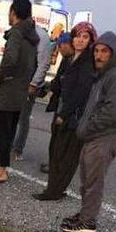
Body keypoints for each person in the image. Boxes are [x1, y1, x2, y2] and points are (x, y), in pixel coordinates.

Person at [61, 32, 116, 232]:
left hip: (104, 138)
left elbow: (113, 113)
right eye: (97, 51)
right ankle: (84, 214)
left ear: (113, 53)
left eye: (104, 52)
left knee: (93, 182)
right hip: (93, 137)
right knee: (87, 179)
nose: (99, 56)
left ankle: (88, 222)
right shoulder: (103, 75)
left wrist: (87, 128)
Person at [33, 23, 97, 200]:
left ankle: (54, 191)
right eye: (77, 36)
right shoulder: (70, 58)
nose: (79, 40)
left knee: (66, 155)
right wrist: (46, 89)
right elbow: (60, 83)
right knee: (55, 150)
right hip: (62, 111)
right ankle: (54, 188)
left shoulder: (87, 63)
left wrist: (64, 114)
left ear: (91, 40)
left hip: (75, 116)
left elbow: (81, 93)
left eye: (85, 37)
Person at [0, 0, 39, 184]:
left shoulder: (16, 34)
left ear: (13, 12)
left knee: (1, 130)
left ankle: (0, 170)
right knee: (10, 129)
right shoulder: (33, 36)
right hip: (21, 89)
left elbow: (10, 59)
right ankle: (3, 167)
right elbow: (33, 63)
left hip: (8, 89)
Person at [11, 23, 53, 159]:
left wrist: (34, 84)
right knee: (12, 116)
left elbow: (43, 63)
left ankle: (17, 149)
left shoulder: (41, 36)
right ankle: (9, 146)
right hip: (17, 81)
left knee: (23, 118)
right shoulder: (21, 32)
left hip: (29, 83)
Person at [39, 32, 74, 173]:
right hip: (60, 102)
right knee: (56, 135)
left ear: (67, 44)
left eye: (60, 46)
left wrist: (51, 87)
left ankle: (56, 166)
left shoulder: (72, 61)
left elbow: (63, 82)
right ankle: (54, 163)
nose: (58, 49)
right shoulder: (67, 59)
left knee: (59, 137)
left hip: (65, 106)